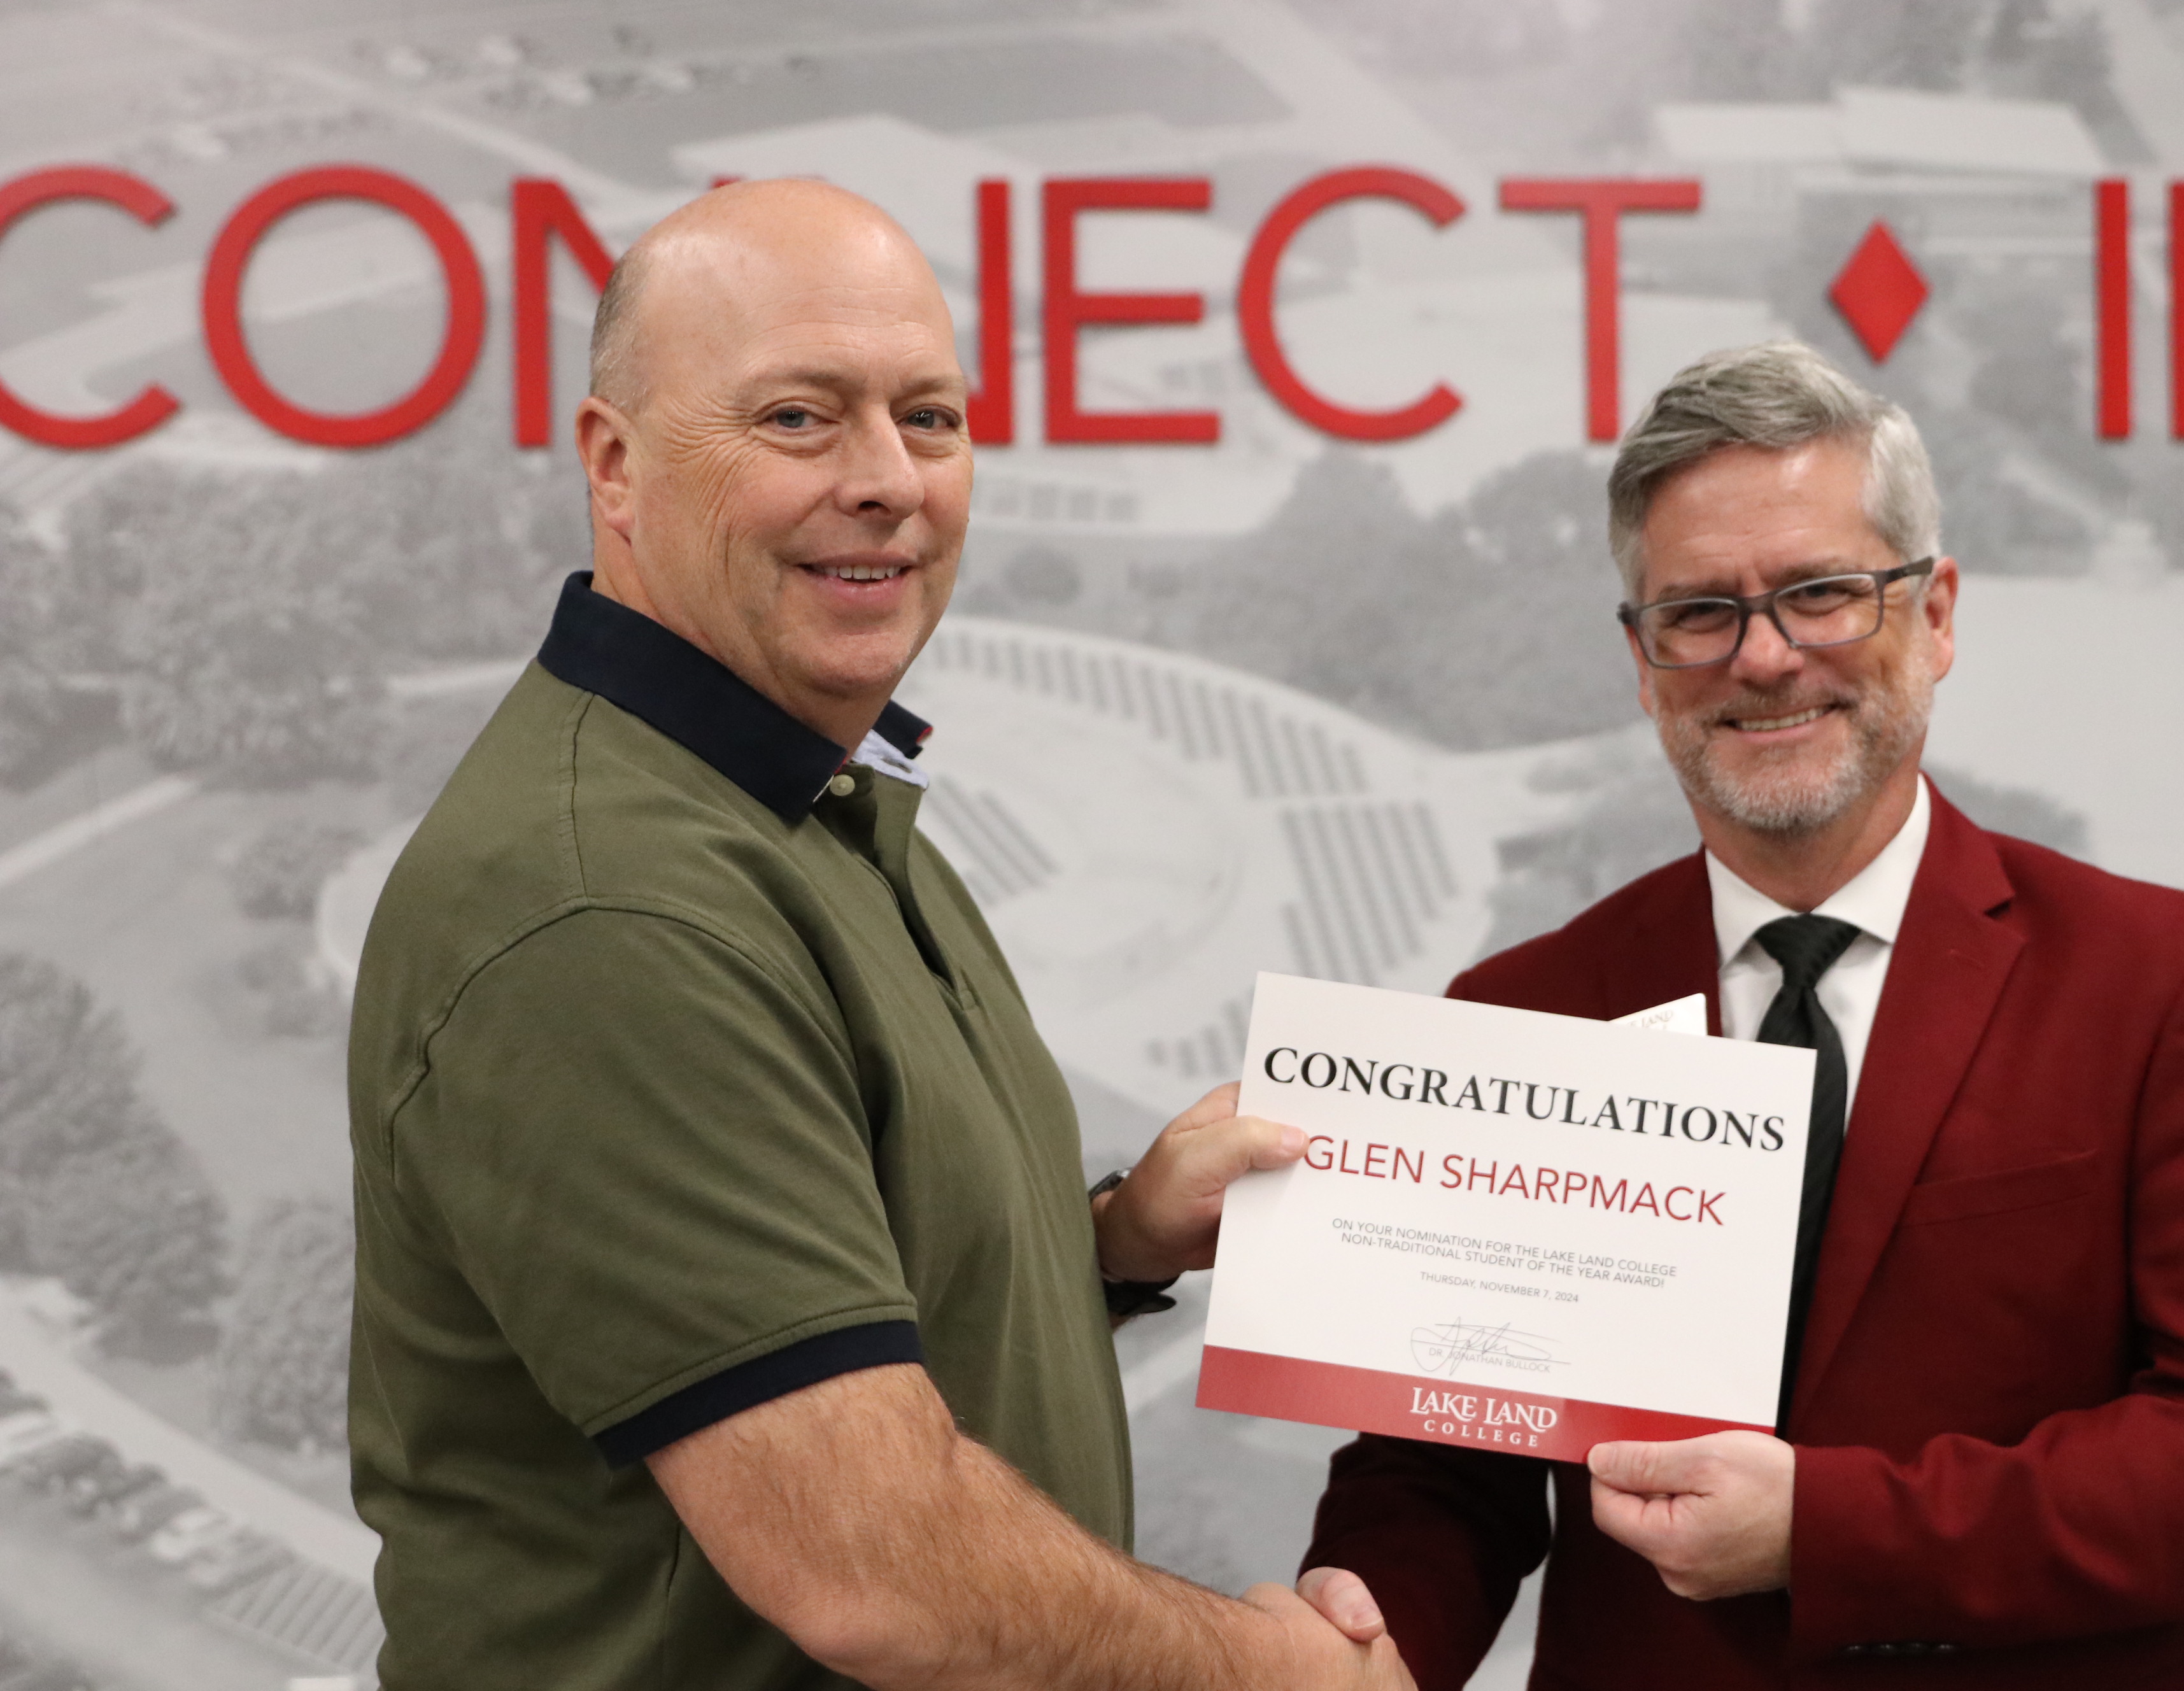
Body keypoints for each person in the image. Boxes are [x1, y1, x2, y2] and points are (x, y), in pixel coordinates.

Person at [346, 179, 1407, 1691]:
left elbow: (808, 1308)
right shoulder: (606, 904)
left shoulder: (793, 797)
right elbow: (875, 1567)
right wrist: (1269, 1672)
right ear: (615, 464)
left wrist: (1108, 1241)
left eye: (931, 418)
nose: (888, 478)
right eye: (798, 417)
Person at [1301, 340, 2184, 1688]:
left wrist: (1832, 1526)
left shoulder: (2164, 981)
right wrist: (1363, 1625)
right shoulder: (1526, 1010)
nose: (1763, 657)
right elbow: (1442, 1479)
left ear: (1933, 615)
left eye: (1821, 594)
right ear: (1641, 660)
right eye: (1699, 612)